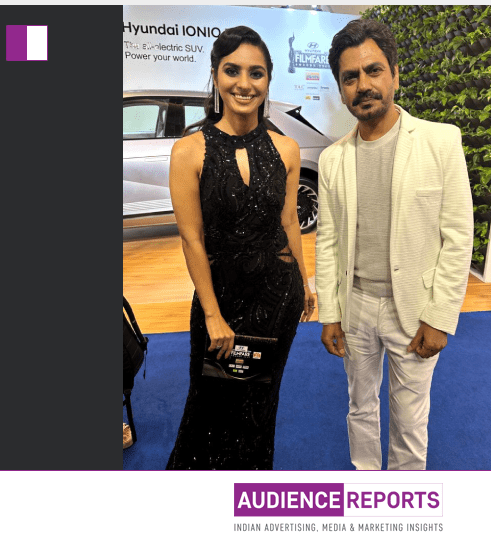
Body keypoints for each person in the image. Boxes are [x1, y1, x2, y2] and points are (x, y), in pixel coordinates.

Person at [315, 19, 473, 470]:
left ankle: (404, 496)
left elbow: (458, 235)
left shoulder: (441, 141)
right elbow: (328, 241)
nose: (363, 85)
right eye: (350, 77)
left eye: (374, 70)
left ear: (395, 75)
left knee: (409, 420)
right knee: (360, 408)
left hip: (415, 308)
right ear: (341, 89)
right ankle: (366, 484)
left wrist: (440, 316)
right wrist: (330, 312)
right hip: (356, 306)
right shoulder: (332, 159)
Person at [166, 26, 316, 470]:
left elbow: (289, 221)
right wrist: (213, 314)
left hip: (277, 297)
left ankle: (248, 488)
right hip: (221, 300)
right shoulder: (189, 150)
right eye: (232, 71)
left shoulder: (287, 149)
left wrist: (304, 282)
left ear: (268, 80)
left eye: (256, 73)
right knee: (209, 403)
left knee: (259, 404)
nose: (244, 83)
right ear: (216, 76)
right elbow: (192, 238)